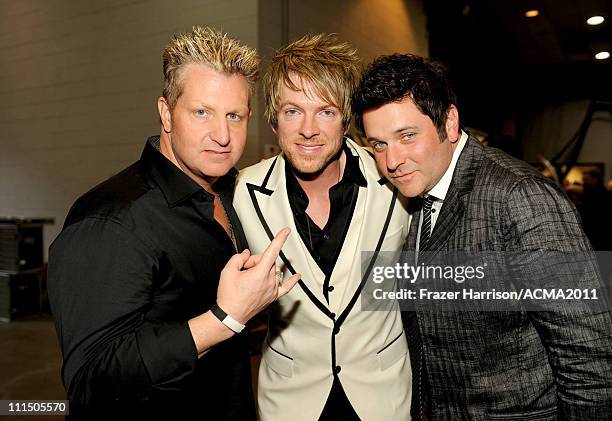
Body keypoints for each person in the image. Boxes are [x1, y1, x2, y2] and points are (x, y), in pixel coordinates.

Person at [47, 26, 299, 419]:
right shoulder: (112, 218)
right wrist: (223, 319)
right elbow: (91, 379)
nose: (222, 135)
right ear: (166, 112)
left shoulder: (234, 192)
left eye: (234, 116)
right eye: (202, 112)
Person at [353, 53, 612, 420]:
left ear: (451, 122)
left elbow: (590, 362)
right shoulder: (414, 197)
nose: (392, 160)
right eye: (378, 144)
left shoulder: (521, 198)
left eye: (407, 136)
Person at [233, 34, 412, 421]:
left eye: (326, 111)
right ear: (274, 118)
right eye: (293, 111)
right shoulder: (241, 192)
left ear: (347, 119)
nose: (308, 130)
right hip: (289, 399)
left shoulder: (396, 181)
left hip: (382, 396)